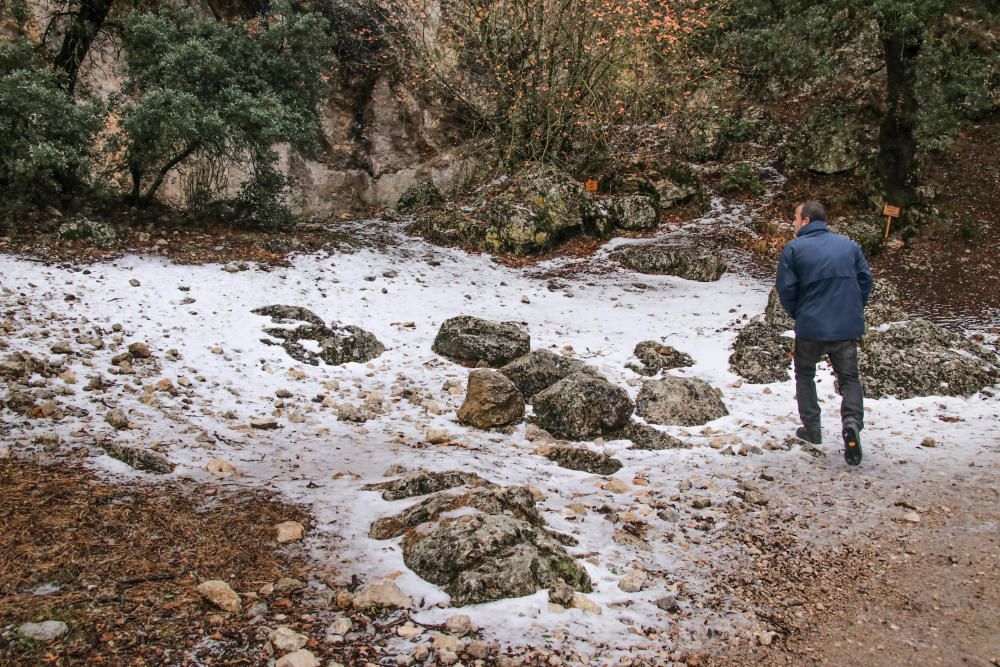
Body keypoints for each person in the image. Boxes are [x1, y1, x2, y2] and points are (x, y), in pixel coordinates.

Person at [776, 201, 873, 465]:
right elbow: (866, 281)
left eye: (795, 217)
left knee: (805, 374)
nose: (793, 222)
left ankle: (812, 428)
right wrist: (851, 308)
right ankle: (852, 423)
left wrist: (802, 313)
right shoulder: (849, 246)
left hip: (811, 327)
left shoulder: (794, 249)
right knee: (850, 378)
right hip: (845, 327)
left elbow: (785, 289)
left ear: (806, 220)